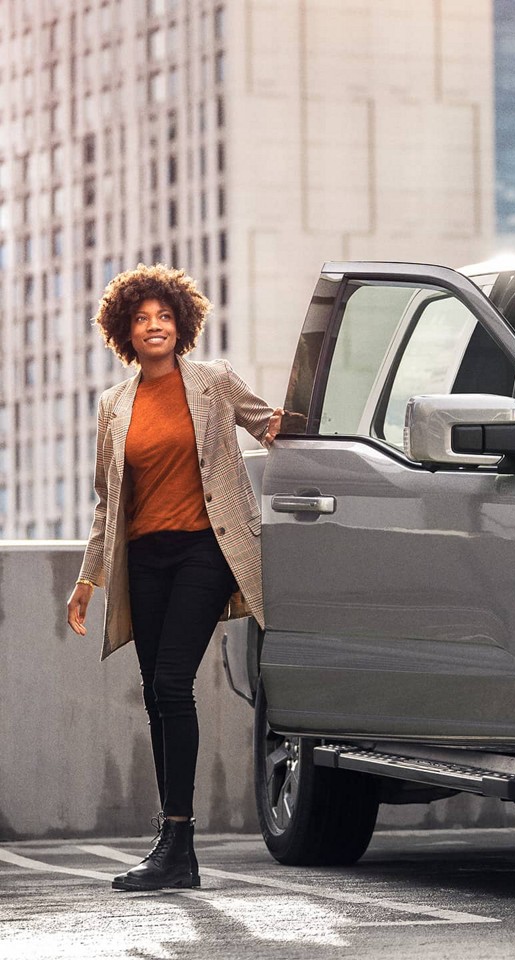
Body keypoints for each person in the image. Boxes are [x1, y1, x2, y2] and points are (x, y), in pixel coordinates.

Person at [65, 264, 282, 891]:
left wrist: (305, 431)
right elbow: (107, 500)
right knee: (158, 697)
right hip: (145, 557)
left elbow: (266, 422)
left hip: (206, 550)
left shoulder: (212, 383)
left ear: (180, 324)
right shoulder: (115, 406)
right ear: (124, 332)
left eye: (163, 316)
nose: (153, 325)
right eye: (141, 318)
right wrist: (88, 580)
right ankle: (175, 848)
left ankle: (176, 839)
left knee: (170, 681)